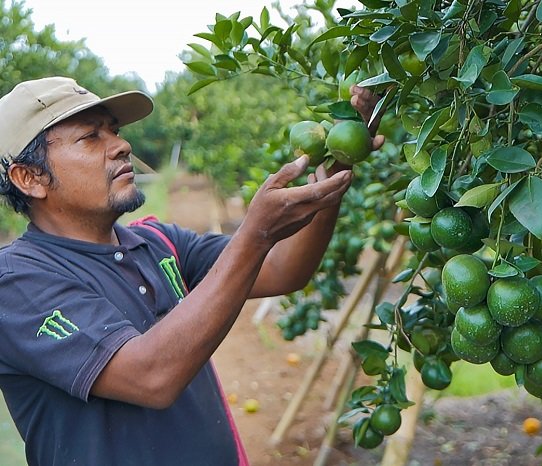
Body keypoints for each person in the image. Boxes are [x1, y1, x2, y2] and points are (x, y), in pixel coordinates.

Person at [0, 76, 384, 466]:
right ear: (28, 178)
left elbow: (283, 270)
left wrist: (339, 161)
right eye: (90, 137)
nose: (122, 145)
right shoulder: (17, 284)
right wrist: (254, 234)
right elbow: (151, 376)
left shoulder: (157, 242)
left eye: (114, 131)